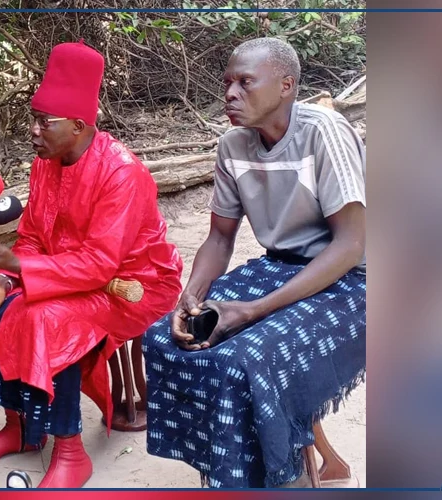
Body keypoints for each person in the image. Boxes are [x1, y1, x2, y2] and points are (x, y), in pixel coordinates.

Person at [0, 41, 184, 489]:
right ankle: (20, 431)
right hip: (63, 273)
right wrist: (1, 277)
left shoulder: (122, 172)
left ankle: (70, 450)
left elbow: (99, 264)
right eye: (33, 118)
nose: (33, 130)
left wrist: (21, 270)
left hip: (131, 282)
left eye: (42, 122)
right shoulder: (45, 162)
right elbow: (31, 237)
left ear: (77, 124)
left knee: (47, 320)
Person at [143, 37, 367, 488]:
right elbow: (219, 238)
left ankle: (286, 480)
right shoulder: (233, 145)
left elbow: (351, 245)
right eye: (228, 83)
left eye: (245, 82)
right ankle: (237, 473)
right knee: (165, 339)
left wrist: (254, 310)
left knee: (248, 359)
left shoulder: (322, 131)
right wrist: (191, 296)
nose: (230, 93)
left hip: (354, 278)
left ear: (286, 86)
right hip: (281, 265)